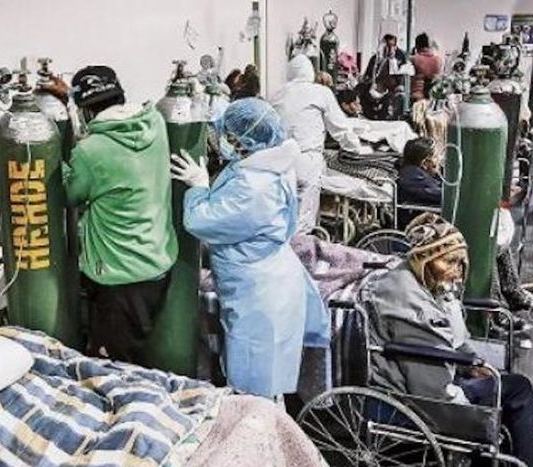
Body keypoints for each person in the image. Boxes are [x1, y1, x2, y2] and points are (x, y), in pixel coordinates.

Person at [170, 97, 329, 398]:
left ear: (246, 140)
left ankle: (261, 440)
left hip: (260, 293)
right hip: (273, 275)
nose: (224, 141)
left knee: (253, 387)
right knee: (267, 384)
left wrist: (198, 187)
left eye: (230, 135)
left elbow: (202, 221)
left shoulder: (255, 187)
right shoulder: (269, 164)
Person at [362, 213, 533, 467]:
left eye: (461, 263)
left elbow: (456, 338)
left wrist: (474, 363)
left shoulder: (428, 284)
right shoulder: (410, 307)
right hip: (424, 396)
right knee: (518, 389)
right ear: (425, 260)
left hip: (444, 373)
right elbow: (431, 385)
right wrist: (466, 391)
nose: (457, 271)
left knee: (511, 386)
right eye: (450, 262)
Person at [43, 65, 177, 365]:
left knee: (115, 367)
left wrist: (53, 156)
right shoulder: (154, 122)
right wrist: (74, 99)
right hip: (156, 263)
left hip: (121, 279)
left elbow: (68, 195)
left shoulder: (91, 151)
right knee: (134, 350)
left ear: (85, 111)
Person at [397, 137, 533, 311]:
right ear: (425, 162)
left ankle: (513, 292)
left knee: (494, 241)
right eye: (436, 156)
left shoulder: (422, 174)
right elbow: (444, 196)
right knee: (484, 244)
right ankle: (494, 306)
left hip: (439, 220)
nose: (439, 160)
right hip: (429, 228)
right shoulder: (414, 178)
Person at [271, 54, 366, 232]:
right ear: (310, 74)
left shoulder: (276, 94)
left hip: (279, 162)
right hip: (306, 160)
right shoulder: (321, 92)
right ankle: (302, 253)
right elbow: (340, 127)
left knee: (281, 216)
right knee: (303, 221)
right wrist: (356, 148)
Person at [361, 34, 408, 120]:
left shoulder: (399, 59)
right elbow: (366, 77)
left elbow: (401, 78)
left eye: (393, 46)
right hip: (375, 93)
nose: (390, 49)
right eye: (387, 45)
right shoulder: (375, 60)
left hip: (390, 95)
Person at [410, 33, 443, 102]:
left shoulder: (414, 59)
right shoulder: (439, 60)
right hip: (433, 99)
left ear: (417, 46)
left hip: (416, 98)